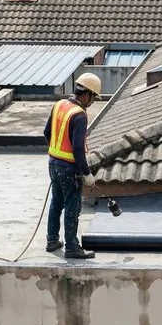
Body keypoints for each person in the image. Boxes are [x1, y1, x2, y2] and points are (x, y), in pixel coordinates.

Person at [43, 73, 102, 259]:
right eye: (93, 98)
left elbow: (47, 132)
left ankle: (52, 240)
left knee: (56, 202)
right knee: (72, 207)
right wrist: (86, 173)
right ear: (87, 95)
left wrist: (56, 151)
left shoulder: (60, 105)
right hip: (68, 168)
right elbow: (77, 148)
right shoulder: (79, 115)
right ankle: (72, 247)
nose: (92, 102)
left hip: (53, 163)